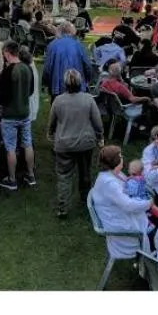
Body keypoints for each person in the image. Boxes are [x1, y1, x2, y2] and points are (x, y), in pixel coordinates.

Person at [48, 67, 102, 220]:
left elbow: (51, 122)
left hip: (64, 144)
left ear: (65, 84)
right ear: (81, 83)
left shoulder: (58, 101)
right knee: (85, 173)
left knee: (64, 176)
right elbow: (97, 122)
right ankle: (85, 201)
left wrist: (51, 134)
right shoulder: (88, 99)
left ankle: (63, 207)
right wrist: (100, 136)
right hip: (86, 143)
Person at [88, 146, 154, 259]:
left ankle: (151, 256)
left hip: (118, 215)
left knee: (152, 218)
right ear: (115, 161)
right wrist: (149, 203)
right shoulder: (110, 183)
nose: (122, 158)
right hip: (121, 226)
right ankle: (149, 263)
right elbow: (128, 205)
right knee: (154, 225)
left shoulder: (112, 174)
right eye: (120, 156)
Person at [0, 44, 38, 191]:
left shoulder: (8, 71)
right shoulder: (27, 68)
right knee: (27, 144)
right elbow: (31, 91)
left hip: (10, 115)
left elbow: (1, 97)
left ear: (7, 53)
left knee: (11, 148)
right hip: (25, 112)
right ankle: (31, 175)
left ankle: (12, 179)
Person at [98, 59, 158, 133]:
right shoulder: (120, 87)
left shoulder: (105, 83)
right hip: (125, 108)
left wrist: (121, 79)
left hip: (113, 106)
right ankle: (146, 127)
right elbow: (133, 99)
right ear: (120, 72)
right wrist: (147, 98)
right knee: (150, 104)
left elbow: (101, 89)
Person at [42, 19, 91, 97]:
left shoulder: (52, 45)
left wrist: (45, 83)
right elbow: (87, 65)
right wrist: (88, 79)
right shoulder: (78, 45)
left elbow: (47, 67)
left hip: (57, 87)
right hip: (77, 86)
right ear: (72, 31)